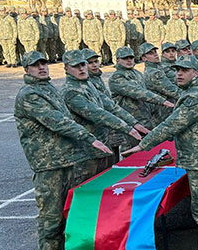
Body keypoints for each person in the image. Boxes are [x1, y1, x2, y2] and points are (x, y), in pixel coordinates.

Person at [123, 55, 198, 250]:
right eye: (177, 70)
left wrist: (144, 145)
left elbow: (171, 125)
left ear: (195, 73)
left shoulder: (194, 98)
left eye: (184, 70)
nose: (178, 74)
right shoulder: (195, 93)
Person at [14, 51, 112, 250]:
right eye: (35, 65)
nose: (41, 68)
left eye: (43, 63)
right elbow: (57, 122)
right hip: (48, 163)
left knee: (65, 210)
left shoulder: (47, 89)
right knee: (50, 212)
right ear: (26, 69)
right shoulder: (29, 95)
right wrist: (89, 138)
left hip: (64, 158)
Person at [61, 49, 147, 182]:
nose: (81, 69)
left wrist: (133, 122)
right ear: (66, 68)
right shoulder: (71, 92)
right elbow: (97, 114)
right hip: (86, 152)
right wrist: (127, 128)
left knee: (107, 186)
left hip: (102, 145)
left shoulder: (88, 84)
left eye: (83, 65)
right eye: (75, 66)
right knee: (89, 191)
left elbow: (111, 106)